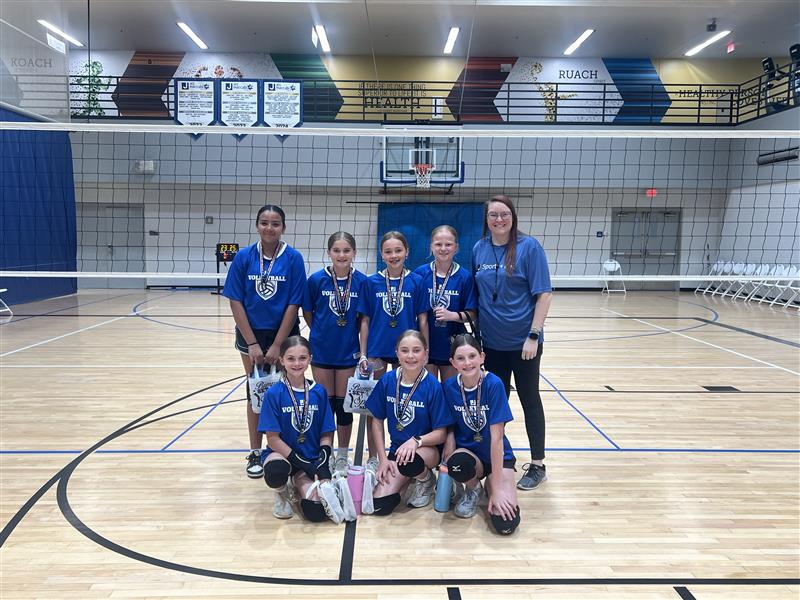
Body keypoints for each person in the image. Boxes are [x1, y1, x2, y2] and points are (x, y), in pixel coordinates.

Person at [472, 195, 553, 491]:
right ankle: (499, 457)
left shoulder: (529, 247)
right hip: (492, 343)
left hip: (523, 343)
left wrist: (533, 335)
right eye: (493, 215)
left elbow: (544, 294)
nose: (499, 219)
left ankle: (538, 464)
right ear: (487, 219)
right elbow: (477, 295)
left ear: (513, 217)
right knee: (496, 402)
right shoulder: (479, 248)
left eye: (504, 214)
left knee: (530, 399)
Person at [223, 204, 306, 479]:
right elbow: (235, 300)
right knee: (256, 392)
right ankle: (255, 451)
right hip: (252, 334)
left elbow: (294, 303)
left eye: (275, 223)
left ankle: (286, 448)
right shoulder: (244, 257)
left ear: (283, 227)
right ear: (257, 225)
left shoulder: (293, 258)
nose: (269, 228)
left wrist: (279, 344)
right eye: (264, 222)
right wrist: (252, 343)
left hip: (284, 333)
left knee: (288, 391)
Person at [358, 231, 428, 471]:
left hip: (407, 352)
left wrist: (425, 352)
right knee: (374, 408)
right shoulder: (371, 282)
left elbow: (423, 320)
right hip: (377, 351)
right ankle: (374, 457)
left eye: (398, 250)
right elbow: (365, 321)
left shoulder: (417, 281)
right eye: (388, 251)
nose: (394, 255)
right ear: (382, 254)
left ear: (407, 252)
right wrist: (364, 354)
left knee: (407, 403)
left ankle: (406, 455)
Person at [364, 330, 453, 515]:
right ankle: (409, 479)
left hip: (426, 450)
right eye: (404, 350)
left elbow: (441, 433)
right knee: (380, 505)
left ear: (426, 354)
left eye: (416, 350)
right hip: (398, 451)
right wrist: (382, 460)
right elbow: (377, 421)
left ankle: (425, 479)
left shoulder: (433, 386)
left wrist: (416, 441)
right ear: (397, 353)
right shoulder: (387, 380)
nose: (410, 356)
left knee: (410, 463)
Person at [303, 232, 367, 476]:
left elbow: (363, 319)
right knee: (325, 404)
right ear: (328, 253)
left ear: (354, 253)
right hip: (321, 350)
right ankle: (325, 452)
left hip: (347, 351)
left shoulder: (361, 281)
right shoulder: (316, 280)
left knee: (344, 406)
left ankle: (341, 454)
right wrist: (320, 332)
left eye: (346, 250)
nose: (341, 255)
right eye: (337, 250)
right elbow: (308, 312)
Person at [442, 333, 520, 534]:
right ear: (453, 362)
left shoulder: (493, 384)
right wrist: (449, 445)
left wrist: (498, 489)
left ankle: (492, 485)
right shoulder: (449, 387)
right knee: (456, 463)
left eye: (472, 356)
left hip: (497, 456)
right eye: (460, 358)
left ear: (482, 357)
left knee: (505, 522)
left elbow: (497, 439)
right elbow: (449, 425)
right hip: (469, 455)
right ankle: (474, 488)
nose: (467, 363)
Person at [258, 336, 339, 521]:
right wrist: (301, 463)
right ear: (281, 360)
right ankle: (281, 491)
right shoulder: (274, 393)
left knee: (316, 513)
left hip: (310, 458)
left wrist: (322, 462)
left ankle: (297, 481)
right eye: (291, 358)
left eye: (302, 358)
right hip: (283, 456)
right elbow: (272, 439)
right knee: (276, 470)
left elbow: (327, 432)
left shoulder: (319, 391)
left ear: (310, 359)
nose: (297, 363)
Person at [413, 225, 478, 381]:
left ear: (456, 247)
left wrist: (452, 316)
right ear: (431, 246)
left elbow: (473, 314)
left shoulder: (465, 277)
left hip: (451, 344)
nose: (443, 248)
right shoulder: (420, 274)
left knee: (450, 390)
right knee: (429, 391)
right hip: (426, 343)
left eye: (448, 244)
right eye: (438, 244)